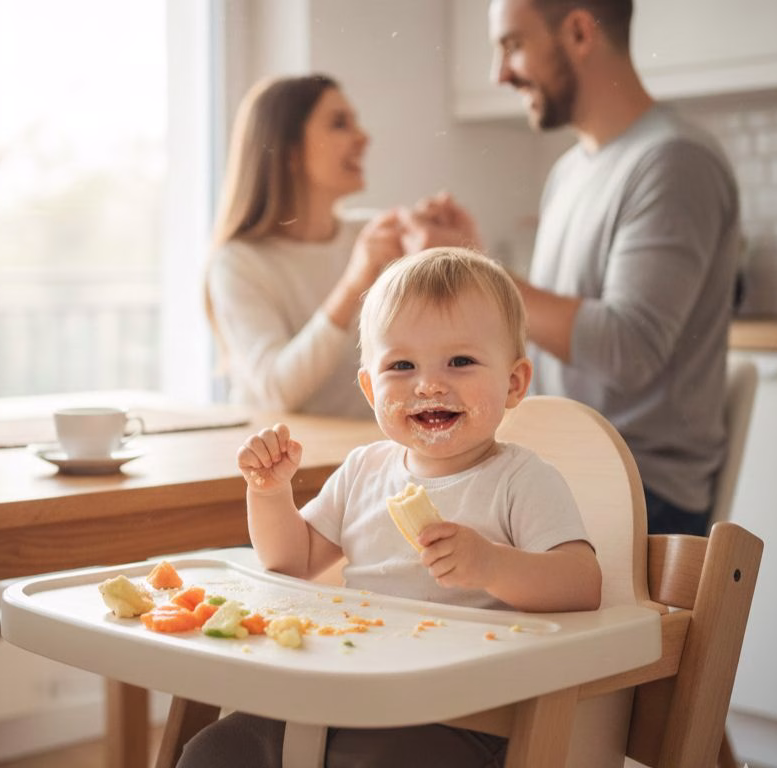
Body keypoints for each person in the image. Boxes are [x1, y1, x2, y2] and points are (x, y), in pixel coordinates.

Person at [177, 248, 602, 768]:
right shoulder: (364, 471)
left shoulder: (519, 479)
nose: (428, 384)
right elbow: (292, 560)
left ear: (513, 383)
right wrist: (270, 494)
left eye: (460, 361)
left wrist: (493, 565)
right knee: (216, 750)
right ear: (369, 386)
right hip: (348, 684)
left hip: (465, 713)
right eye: (401, 365)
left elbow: (582, 582)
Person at [408, 0, 742, 535]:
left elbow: (627, 349)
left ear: (581, 33)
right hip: (562, 470)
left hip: (635, 493)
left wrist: (478, 270)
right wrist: (470, 259)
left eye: (513, 45)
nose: (500, 73)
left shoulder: (673, 162)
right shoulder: (570, 171)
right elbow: (545, 331)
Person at [205, 73, 407, 420]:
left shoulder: (375, 235)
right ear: (290, 151)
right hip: (283, 467)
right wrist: (354, 283)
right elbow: (278, 390)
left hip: (371, 461)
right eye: (340, 124)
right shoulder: (238, 263)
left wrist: (453, 250)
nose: (363, 138)